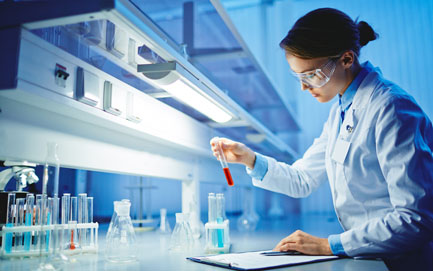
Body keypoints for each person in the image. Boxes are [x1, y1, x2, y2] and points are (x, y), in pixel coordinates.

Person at [210, 8, 433, 271]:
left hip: (404, 262)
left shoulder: (391, 108)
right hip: (370, 257)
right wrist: (251, 159)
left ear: (347, 59)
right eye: (299, 77)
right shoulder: (341, 112)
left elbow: (416, 219)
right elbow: (302, 179)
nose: (304, 87)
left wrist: (329, 245)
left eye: (311, 74)